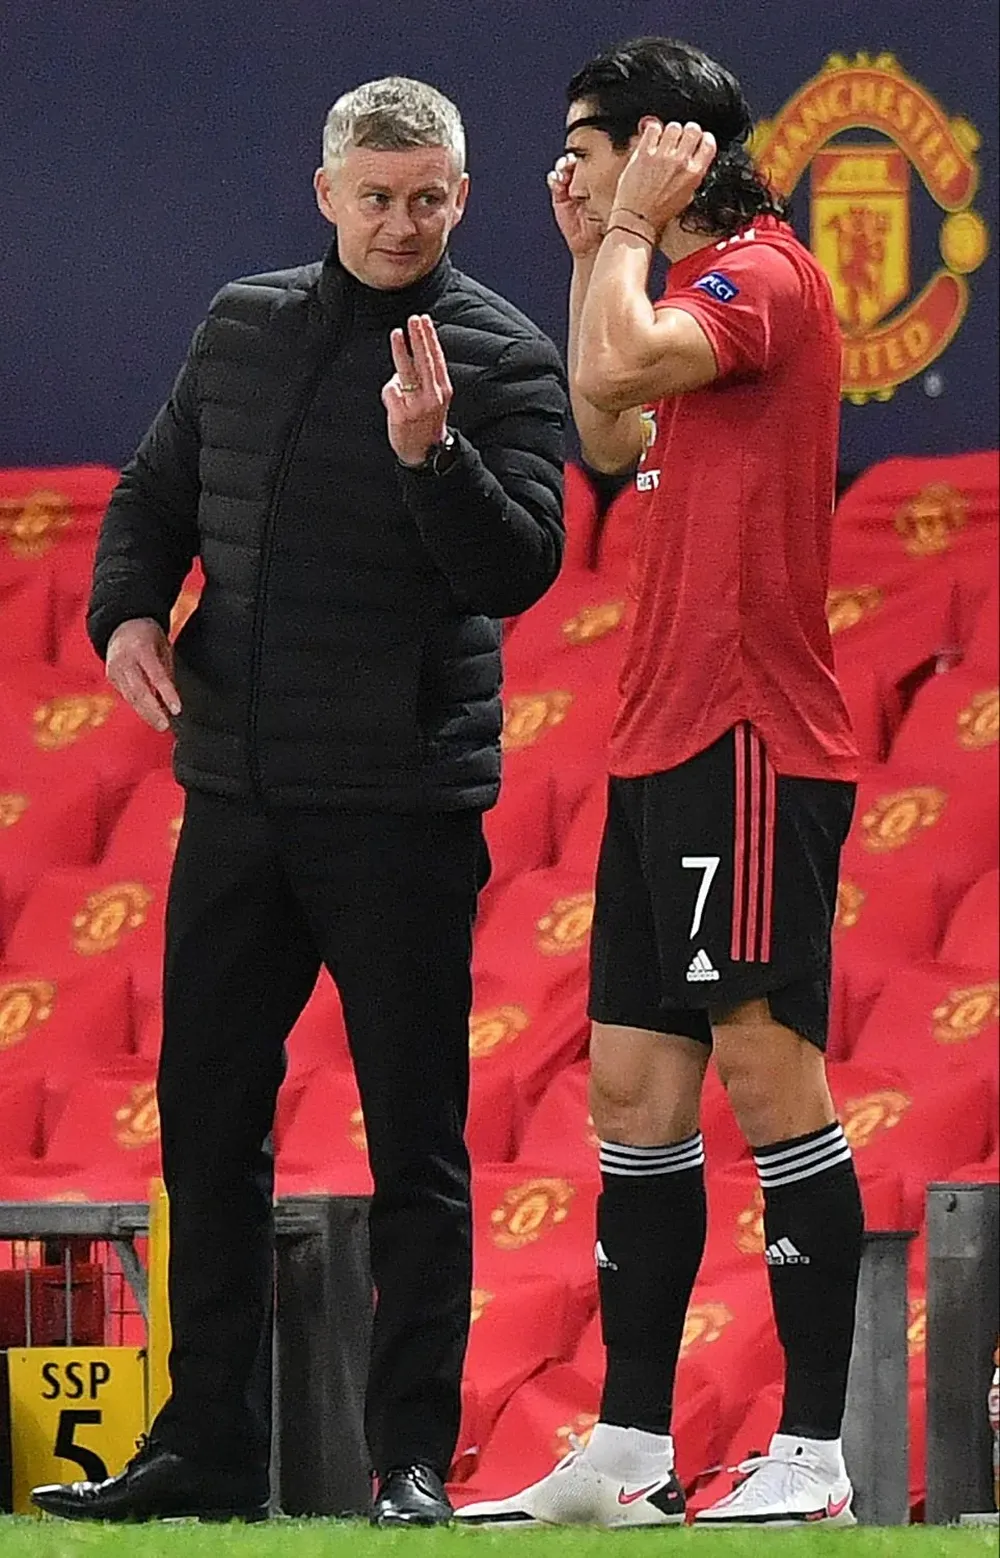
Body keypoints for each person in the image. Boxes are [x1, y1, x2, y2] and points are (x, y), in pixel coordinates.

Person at [31, 76, 566, 1529]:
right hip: (238, 800)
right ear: (323, 192)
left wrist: (430, 456)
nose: (400, 221)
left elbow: (517, 569)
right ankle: (208, 1443)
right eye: (375, 194)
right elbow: (147, 498)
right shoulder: (240, 325)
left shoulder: (508, 358)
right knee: (205, 1121)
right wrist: (128, 613)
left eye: (427, 198)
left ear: (464, 200)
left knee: (420, 1146)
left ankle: (408, 1463)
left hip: (401, 807)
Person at [457, 37, 862, 1530]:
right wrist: (596, 247)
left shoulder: (762, 273)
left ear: (673, 147)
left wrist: (624, 236)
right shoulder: (676, 284)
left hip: (750, 734)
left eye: (590, 142)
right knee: (632, 1091)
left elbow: (622, 370)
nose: (566, 162)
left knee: (768, 1071)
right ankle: (631, 1447)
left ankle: (813, 1451)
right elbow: (608, 422)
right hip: (655, 733)